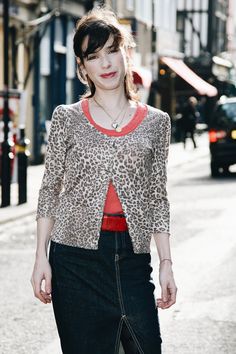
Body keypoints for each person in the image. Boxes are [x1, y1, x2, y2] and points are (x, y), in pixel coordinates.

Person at [30, 7, 177, 354]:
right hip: (75, 262)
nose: (106, 63)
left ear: (126, 52)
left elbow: (158, 198)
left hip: (132, 259)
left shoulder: (157, 122)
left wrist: (167, 263)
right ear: (82, 68)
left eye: (112, 50)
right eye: (94, 56)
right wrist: (41, 256)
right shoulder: (66, 118)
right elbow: (50, 189)